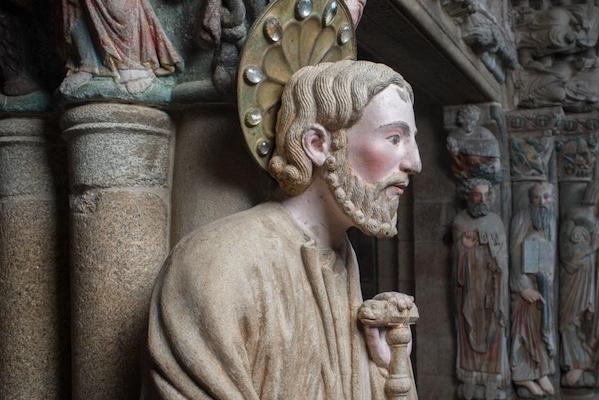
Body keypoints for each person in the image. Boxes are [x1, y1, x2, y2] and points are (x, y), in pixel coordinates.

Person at [141, 60, 421, 399]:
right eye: (394, 138)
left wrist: (388, 370)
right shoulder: (219, 262)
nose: (414, 163)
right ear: (318, 145)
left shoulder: (339, 258)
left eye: (411, 141)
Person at [452, 178, 510, 399]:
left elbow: (504, 257)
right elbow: (454, 260)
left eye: (486, 195)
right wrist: (463, 249)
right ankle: (469, 377)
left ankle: (492, 379)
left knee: (493, 329)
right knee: (468, 328)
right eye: (477, 195)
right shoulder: (460, 221)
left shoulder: (496, 222)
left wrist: (496, 258)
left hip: (492, 290)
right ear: (469, 196)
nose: (482, 200)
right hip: (469, 291)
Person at [558, 180, 599, 387]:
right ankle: (574, 363)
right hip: (574, 276)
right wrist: (592, 246)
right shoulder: (577, 216)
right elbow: (567, 255)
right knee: (571, 317)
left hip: (593, 275)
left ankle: (591, 363)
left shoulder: (597, 218)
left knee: (591, 319)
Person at [509, 182, 556, 397]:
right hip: (525, 288)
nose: (541, 202)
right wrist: (524, 287)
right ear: (530, 200)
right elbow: (514, 253)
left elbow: (550, 252)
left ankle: (541, 372)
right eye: (537, 198)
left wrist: (548, 279)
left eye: (546, 197)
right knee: (525, 331)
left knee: (541, 327)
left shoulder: (549, 220)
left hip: (544, 284)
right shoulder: (522, 218)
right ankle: (524, 377)